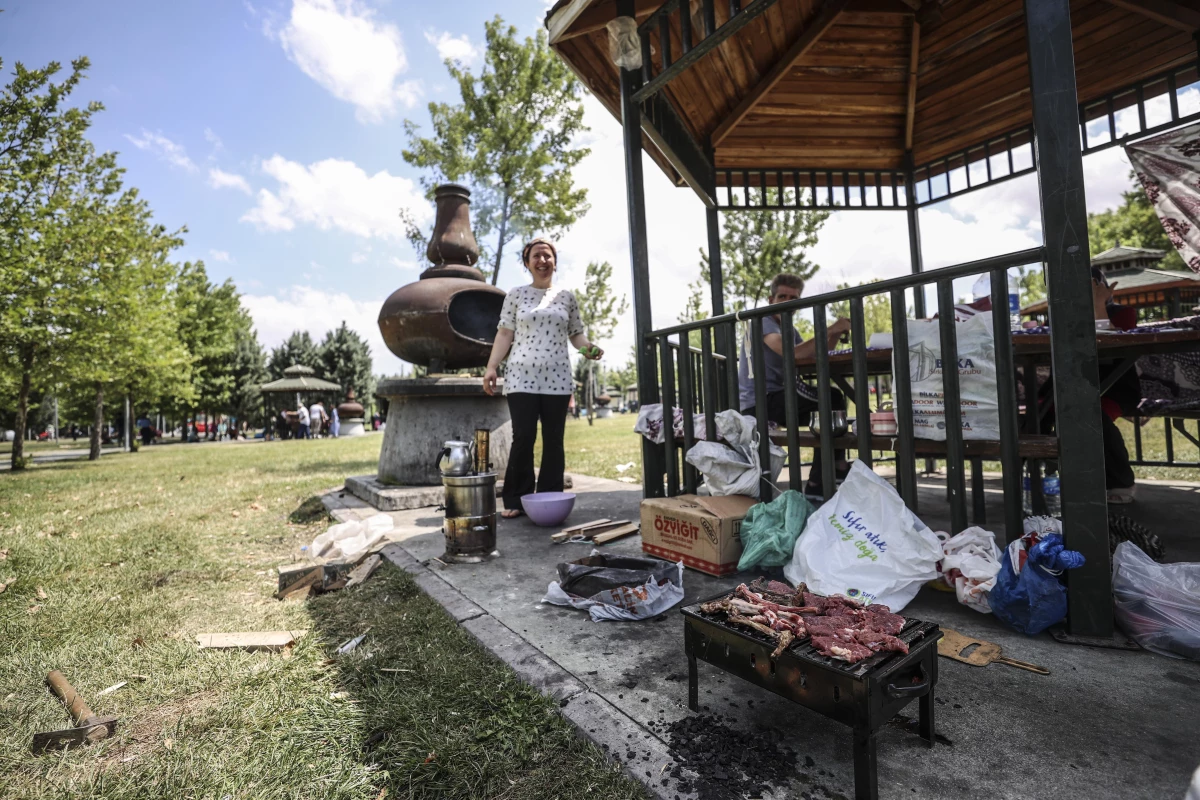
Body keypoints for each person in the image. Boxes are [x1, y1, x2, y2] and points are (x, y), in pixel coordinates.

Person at [484, 238, 603, 519]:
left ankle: (550, 497)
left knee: (554, 439)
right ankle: (515, 499)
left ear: (554, 262)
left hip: (558, 378)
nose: (543, 260)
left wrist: (588, 348)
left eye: (547, 256)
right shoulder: (515, 295)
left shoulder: (566, 296)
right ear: (527, 263)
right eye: (536, 256)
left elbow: (576, 333)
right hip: (521, 377)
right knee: (523, 437)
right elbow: (504, 333)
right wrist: (491, 367)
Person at [737, 273, 852, 498]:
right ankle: (829, 473)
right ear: (771, 300)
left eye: (793, 298)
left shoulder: (790, 329)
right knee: (832, 399)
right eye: (782, 297)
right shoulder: (761, 321)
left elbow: (814, 354)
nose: (787, 302)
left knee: (831, 402)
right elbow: (792, 353)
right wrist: (830, 329)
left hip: (780, 398)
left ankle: (829, 473)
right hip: (763, 400)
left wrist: (835, 331)